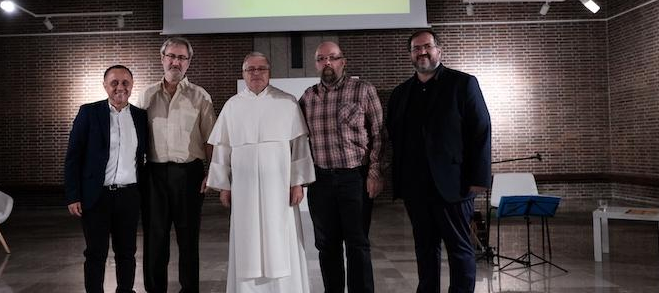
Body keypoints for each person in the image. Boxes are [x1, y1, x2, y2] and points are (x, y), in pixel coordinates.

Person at [387, 30, 492, 293]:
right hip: (415, 188)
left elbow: (481, 131)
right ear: (409, 54)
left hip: (454, 186)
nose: (422, 52)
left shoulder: (463, 84)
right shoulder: (400, 93)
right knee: (424, 249)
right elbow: (394, 138)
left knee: (459, 249)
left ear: (439, 50)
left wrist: (479, 179)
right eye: (415, 48)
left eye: (427, 47)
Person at [206, 52, 316, 293]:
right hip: (244, 190)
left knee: (282, 234)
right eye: (250, 70)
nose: (256, 73)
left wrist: (297, 182)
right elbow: (222, 148)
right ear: (243, 74)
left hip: (279, 188)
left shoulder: (286, 102)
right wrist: (224, 185)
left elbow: (299, 146)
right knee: (247, 238)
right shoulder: (232, 105)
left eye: (261, 69)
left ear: (269, 72)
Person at [299, 41, 385, 293]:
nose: (327, 63)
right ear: (316, 64)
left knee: (357, 244)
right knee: (326, 246)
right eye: (321, 58)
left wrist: (374, 172)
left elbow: (380, 134)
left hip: (354, 179)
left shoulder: (363, 90)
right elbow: (299, 141)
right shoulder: (308, 97)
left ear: (343, 61)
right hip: (320, 181)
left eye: (333, 58)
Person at [134, 37, 216, 293]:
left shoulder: (200, 96)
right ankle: (155, 289)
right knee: (155, 238)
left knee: (188, 238)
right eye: (171, 56)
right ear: (162, 58)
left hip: (189, 174)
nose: (175, 62)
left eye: (182, 58)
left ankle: (189, 289)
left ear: (189, 62)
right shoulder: (146, 95)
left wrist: (211, 171)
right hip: (154, 175)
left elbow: (211, 138)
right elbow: (136, 137)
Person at [64, 65, 149, 293]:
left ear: (132, 85)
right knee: (95, 253)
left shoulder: (140, 117)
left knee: (127, 252)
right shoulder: (88, 113)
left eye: (125, 83)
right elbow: (73, 157)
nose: (120, 87)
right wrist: (73, 195)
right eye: (114, 83)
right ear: (105, 86)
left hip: (128, 196)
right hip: (96, 197)